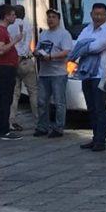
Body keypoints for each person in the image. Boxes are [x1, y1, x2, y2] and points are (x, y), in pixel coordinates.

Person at [69, 3, 106, 152]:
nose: (98, 17)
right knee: (91, 108)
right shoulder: (87, 28)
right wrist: (85, 46)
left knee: (100, 108)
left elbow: (96, 47)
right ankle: (95, 137)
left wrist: (84, 46)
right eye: (96, 14)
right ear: (91, 14)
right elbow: (77, 45)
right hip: (86, 73)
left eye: (102, 14)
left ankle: (101, 140)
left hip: (100, 74)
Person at [34, 9, 73, 138]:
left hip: (58, 73)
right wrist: (36, 53)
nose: (50, 19)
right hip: (44, 73)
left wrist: (51, 56)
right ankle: (42, 127)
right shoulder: (44, 34)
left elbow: (66, 52)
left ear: (58, 19)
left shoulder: (64, 34)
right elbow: (38, 48)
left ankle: (58, 127)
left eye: (53, 17)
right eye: (49, 17)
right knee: (41, 101)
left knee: (59, 102)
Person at [0, 3, 24, 140]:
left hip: (8, 67)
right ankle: (3, 130)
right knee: (5, 99)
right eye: (12, 14)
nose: (15, 17)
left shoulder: (3, 30)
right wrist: (15, 41)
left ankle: (1, 128)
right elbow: (0, 49)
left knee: (5, 99)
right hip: (5, 68)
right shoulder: (0, 31)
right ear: (6, 16)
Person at [8, 5, 38, 131]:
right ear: (24, 13)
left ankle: (11, 121)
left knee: (14, 94)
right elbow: (26, 45)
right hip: (25, 62)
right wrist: (22, 55)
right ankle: (38, 120)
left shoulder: (9, 26)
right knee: (33, 92)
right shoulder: (27, 25)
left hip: (12, 62)